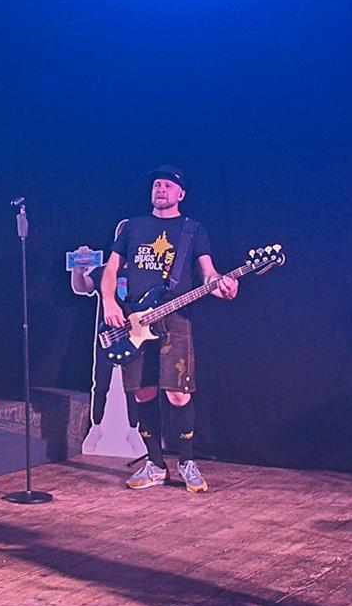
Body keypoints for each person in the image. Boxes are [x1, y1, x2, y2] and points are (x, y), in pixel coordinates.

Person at [100, 165, 238, 493]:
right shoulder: (133, 227)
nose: (160, 189)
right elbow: (111, 269)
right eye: (156, 185)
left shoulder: (192, 230)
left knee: (178, 393)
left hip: (175, 319)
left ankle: (187, 462)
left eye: (167, 185)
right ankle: (155, 465)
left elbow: (208, 274)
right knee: (143, 391)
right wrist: (109, 303)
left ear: (181, 194)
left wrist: (222, 286)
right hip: (135, 319)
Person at [69, 226, 139, 432]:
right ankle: (96, 426)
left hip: (136, 335)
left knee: (134, 385)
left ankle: (135, 429)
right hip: (107, 335)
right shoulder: (106, 271)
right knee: (101, 383)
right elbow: (81, 287)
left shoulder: (143, 274)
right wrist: (77, 271)